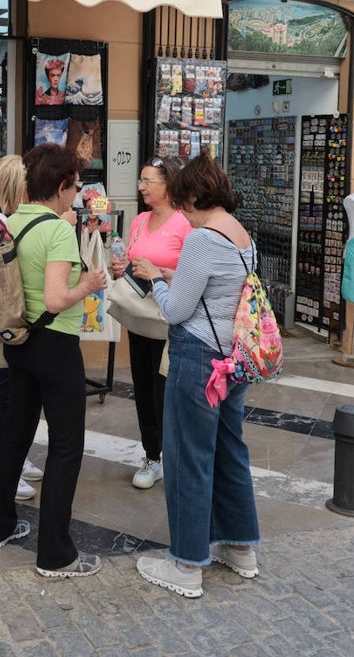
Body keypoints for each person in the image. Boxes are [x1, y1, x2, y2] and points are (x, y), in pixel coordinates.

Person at [131, 153, 261, 599]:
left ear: (192, 195)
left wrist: (154, 279)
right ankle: (241, 546)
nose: (180, 208)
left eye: (182, 198)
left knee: (188, 458)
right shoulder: (241, 235)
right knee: (229, 451)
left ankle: (187, 563)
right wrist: (171, 273)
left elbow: (176, 309)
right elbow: (216, 287)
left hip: (198, 358)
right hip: (234, 357)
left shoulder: (202, 239)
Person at [0, 143, 108, 579]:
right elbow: (57, 297)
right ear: (59, 186)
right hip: (55, 344)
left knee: (15, 434)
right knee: (66, 446)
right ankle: (55, 554)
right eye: (74, 186)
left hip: (18, 341)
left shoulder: (11, 220)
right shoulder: (56, 230)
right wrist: (89, 283)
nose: (76, 194)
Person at [108, 156, 191, 490]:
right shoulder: (139, 221)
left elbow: (191, 276)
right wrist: (123, 269)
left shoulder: (185, 223)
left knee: (167, 390)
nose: (141, 186)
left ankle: (175, 455)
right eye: (141, 180)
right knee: (143, 386)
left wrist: (160, 275)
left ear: (168, 184)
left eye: (148, 181)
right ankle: (152, 455)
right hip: (140, 319)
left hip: (170, 319)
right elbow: (133, 263)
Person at [0, 155, 43, 502]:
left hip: (8, 317)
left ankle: (13, 458)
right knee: (5, 392)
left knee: (13, 391)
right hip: (5, 318)